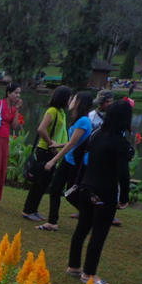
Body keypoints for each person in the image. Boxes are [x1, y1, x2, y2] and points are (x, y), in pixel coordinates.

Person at [65, 100, 132, 284]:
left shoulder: (96, 135)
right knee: (99, 233)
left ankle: (74, 266)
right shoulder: (120, 143)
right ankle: (89, 273)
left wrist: (81, 179)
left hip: (87, 187)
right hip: (105, 192)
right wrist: (125, 197)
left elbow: (79, 153)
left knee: (82, 227)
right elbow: (123, 173)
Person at [39, 91, 94, 230]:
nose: (70, 100)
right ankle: (52, 222)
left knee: (70, 194)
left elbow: (71, 144)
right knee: (55, 189)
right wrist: (57, 145)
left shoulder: (84, 121)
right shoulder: (79, 120)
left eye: (74, 98)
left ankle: (92, 214)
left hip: (76, 164)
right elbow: (73, 142)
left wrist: (53, 160)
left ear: (79, 103)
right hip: (69, 161)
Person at [22, 86, 72, 221]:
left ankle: (34, 209)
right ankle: (28, 210)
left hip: (52, 150)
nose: (70, 100)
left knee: (44, 183)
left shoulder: (61, 112)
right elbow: (41, 129)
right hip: (45, 150)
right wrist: (51, 144)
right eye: (69, 97)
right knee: (39, 182)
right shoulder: (52, 111)